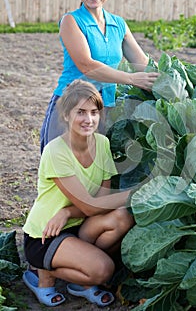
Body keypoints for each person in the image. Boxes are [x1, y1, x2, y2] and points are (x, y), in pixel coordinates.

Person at [22, 80, 134, 307]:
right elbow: (91, 206)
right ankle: (44, 275)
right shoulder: (56, 151)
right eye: (80, 112)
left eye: (94, 112)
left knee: (123, 217)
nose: (89, 119)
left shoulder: (101, 144)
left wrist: (67, 212)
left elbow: (100, 200)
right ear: (65, 115)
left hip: (78, 223)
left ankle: (80, 279)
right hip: (46, 234)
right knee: (104, 270)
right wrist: (134, 194)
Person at [40, 0, 159, 153]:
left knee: (93, 170)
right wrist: (131, 79)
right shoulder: (71, 21)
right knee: (60, 165)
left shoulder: (118, 24)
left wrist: (170, 81)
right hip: (72, 105)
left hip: (103, 108)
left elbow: (142, 64)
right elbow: (86, 65)